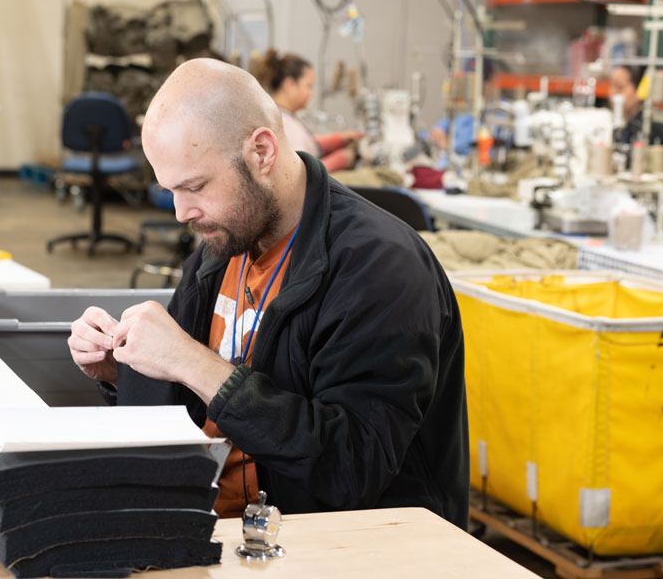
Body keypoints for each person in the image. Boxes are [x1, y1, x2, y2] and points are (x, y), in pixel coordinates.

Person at [68, 59, 469, 527]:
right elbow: (191, 405)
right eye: (170, 190)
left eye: (194, 186)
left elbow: (350, 471)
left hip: (338, 545)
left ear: (261, 152)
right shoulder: (223, 244)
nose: (181, 213)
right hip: (221, 523)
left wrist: (191, 360)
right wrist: (125, 372)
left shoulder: (380, 268)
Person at [253, 49, 363, 173]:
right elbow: (299, 173)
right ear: (289, 85)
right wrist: (339, 160)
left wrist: (340, 139)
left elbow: (307, 145)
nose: (311, 93)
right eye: (308, 86)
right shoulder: (284, 123)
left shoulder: (282, 116)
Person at [610, 65, 663, 147]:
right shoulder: (609, 121)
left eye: (620, 87)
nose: (613, 94)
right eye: (611, 86)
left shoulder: (651, 127)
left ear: (638, 89)